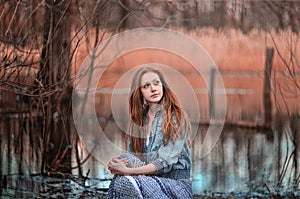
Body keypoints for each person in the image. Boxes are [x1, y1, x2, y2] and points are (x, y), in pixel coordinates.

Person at [107, 66, 192, 199]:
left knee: (123, 181)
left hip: (175, 186)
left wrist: (127, 171)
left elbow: (164, 163)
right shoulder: (140, 120)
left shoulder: (176, 117)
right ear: (139, 92)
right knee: (126, 160)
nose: (153, 88)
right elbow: (134, 157)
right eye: (146, 86)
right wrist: (117, 165)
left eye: (156, 83)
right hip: (150, 180)